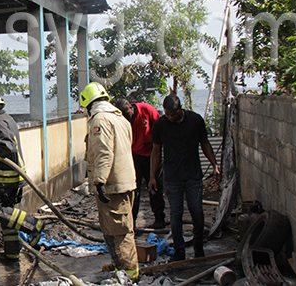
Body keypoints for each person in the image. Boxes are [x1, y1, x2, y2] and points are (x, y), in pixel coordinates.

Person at [0, 90, 44, 262]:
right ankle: (12, 253)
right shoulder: (6, 119)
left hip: (5, 176)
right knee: (8, 217)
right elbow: (3, 141)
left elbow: (7, 148)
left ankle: (34, 225)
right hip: (12, 175)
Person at [149, 94, 221, 262]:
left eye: (172, 114)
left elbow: (205, 143)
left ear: (179, 109)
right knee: (176, 214)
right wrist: (153, 176)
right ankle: (179, 250)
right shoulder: (160, 125)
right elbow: (156, 151)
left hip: (193, 175)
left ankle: (198, 247)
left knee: (197, 211)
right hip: (172, 176)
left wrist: (215, 165)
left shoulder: (195, 120)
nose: (170, 117)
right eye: (167, 114)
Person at [80, 83, 139, 281]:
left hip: (112, 185)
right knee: (110, 227)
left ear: (89, 104)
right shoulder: (119, 117)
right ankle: (118, 264)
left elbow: (104, 152)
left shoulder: (101, 119)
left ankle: (129, 273)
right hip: (123, 180)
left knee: (121, 230)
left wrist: (98, 181)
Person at [114, 99, 166, 229]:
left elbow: (159, 126)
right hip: (134, 156)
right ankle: (132, 221)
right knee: (134, 190)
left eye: (127, 115)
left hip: (151, 155)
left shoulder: (146, 110)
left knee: (154, 187)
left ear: (131, 108)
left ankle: (159, 218)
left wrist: (158, 147)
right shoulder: (121, 120)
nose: (126, 118)